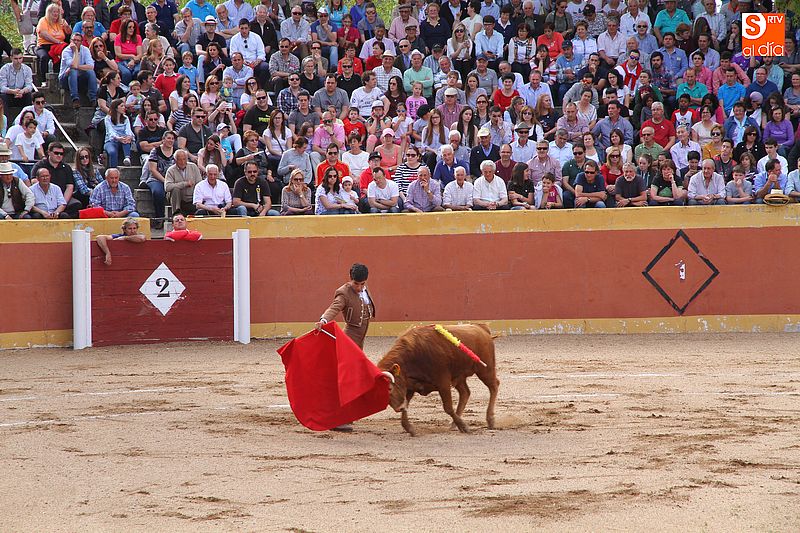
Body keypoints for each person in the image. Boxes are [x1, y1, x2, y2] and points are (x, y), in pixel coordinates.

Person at [316, 261, 375, 358]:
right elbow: (334, 307)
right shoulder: (344, 293)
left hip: (362, 334)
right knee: (349, 358)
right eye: (356, 284)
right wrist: (323, 320)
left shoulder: (364, 287)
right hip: (351, 333)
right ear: (350, 278)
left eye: (362, 284)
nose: (359, 287)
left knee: (357, 357)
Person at [0, 49, 35, 119]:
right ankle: (5, 121)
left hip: (22, 94)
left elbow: (29, 86)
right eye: (16, 59)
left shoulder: (27, 69)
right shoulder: (4, 69)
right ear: (11, 58)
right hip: (9, 94)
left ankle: (29, 121)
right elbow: (2, 87)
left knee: (30, 96)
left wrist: (22, 91)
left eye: (20, 58)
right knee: (2, 97)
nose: (18, 61)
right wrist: (13, 91)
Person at [165, 149, 201, 214]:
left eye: (184, 159)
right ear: (175, 160)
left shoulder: (193, 167)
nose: (182, 162)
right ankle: (176, 212)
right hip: (179, 197)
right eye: (179, 159)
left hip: (192, 197)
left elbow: (199, 184)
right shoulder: (171, 170)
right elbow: (167, 187)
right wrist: (185, 184)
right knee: (175, 189)